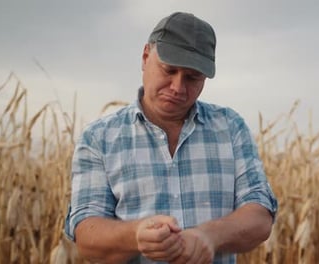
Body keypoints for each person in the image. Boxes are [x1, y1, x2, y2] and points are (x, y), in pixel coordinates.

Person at [64, 11, 277, 264]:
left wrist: (208, 236)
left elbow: (260, 216)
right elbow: (86, 233)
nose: (177, 87)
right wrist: (136, 235)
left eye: (192, 77)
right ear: (145, 57)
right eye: (169, 70)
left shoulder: (231, 128)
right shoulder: (99, 138)